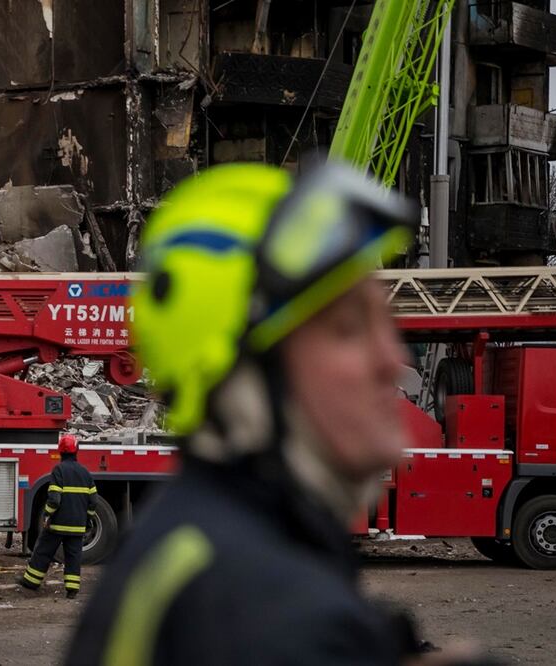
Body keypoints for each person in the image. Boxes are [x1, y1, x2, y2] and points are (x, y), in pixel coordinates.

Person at [68, 162, 461, 664]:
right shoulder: (256, 610)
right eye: (347, 328)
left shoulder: (208, 562)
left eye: (385, 323)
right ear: (242, 378)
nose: (392, 360)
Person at [19, 434, 97, 598]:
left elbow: (54, 499)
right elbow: (93, 501)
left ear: (60, 451)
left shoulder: (59, 470)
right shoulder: (85, 472)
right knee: (73, 557)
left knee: (43, 551)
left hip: (58, 524)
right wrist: (88, 519)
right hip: (77, 525)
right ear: (76, 450)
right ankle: (72, 590)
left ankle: (31, 581)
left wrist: (47, 514)